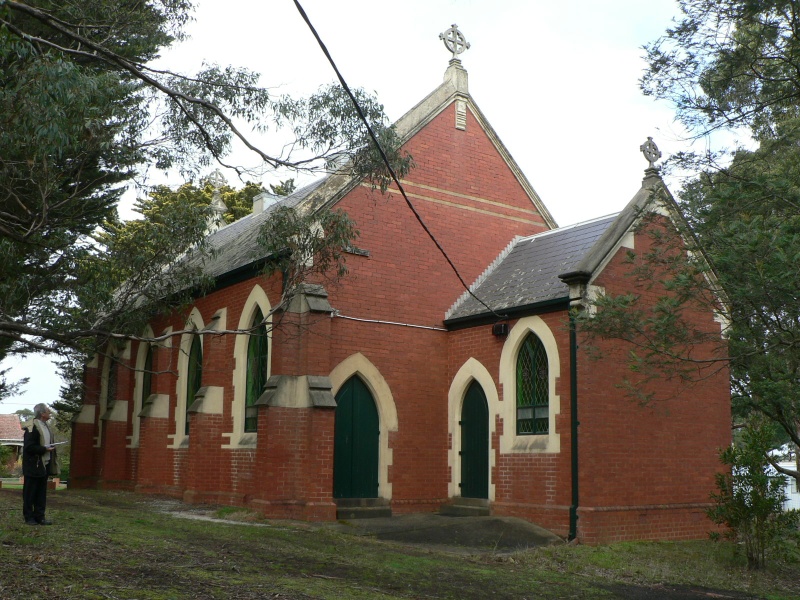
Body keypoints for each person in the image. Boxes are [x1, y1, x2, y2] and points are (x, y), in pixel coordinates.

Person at [22, 403, 59, 526]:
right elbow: (29, 447)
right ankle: (29, 517)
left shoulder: (46, 426)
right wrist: (44, 449)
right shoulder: (32, 427)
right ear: (42, 413)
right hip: (33, 465)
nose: (50, 413)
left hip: (44, 464)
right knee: (30, 492)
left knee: (41, 493)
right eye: (48, 411)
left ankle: (40, 517)